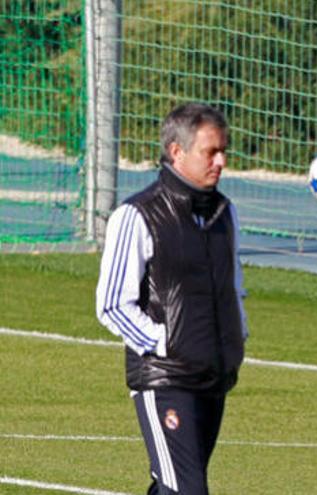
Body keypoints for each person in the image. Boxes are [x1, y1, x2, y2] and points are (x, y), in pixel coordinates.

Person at [95, 102, 248, 494]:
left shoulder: (223, 214)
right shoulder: (137, 215)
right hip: (164, 379)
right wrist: (164, 344)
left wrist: (236, 335)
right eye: (210, 151)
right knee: (187, 489)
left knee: (173, 486)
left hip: (213, 376)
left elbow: (233, 287)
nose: (221, 161)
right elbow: (112, 303)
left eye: (223, 150)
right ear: (177, 152)